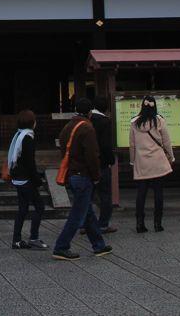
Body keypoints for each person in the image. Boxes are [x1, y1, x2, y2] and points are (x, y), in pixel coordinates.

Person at [52, 98, 111, 260]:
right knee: (78, 214)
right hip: (83, 175)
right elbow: (92, 155)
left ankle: (99, 245)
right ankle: (61, 246)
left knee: (88, 212)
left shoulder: (67, 127)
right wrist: (96, 175)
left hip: (71, 174)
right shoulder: (87, 128)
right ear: (90, 112)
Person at [129, 96, 175, 233]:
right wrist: (171, 157)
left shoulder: (134, 122)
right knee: (158, 193)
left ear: (142, 106)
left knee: (141, 194)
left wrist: (132, 161)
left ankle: (139, 223)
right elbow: (166, 141)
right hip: (158, 162)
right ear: (154, 106)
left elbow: (132, 145)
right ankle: (157, 223)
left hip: (142, 163)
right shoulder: (159, 121)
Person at [7, 109, 46, 250]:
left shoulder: (18, 135)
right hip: (26, 179)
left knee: (22, 209)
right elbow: (30, 163)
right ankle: (34, 237)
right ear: (32, 123)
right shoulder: (28, 138)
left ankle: (16, 240)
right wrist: (37, 180)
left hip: (17, 178)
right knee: (39, 207)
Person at [91, 96, 117, 233]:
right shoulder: (104, 122)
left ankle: (86, 224)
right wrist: (110, 160)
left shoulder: (87, 120)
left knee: (88, 195)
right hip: (102, 163)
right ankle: (103, 223)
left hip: (89, 164)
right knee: (105, 194)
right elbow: (106, 145)